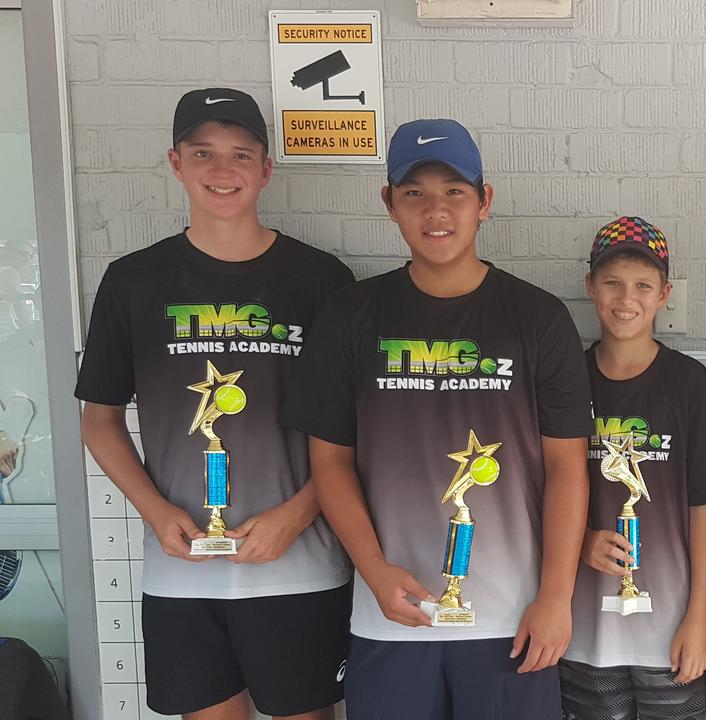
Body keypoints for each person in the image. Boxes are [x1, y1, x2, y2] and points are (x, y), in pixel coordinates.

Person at [280, 118, 593, 720]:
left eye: (454, 191)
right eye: (414, 192)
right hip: (391, 615)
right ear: (389, 204)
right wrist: (372, 569)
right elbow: (330, 461)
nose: (436, 210)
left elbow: (566, 468)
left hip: (513, 619)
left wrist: (556, 596)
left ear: (485, 200)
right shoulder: (351, 316)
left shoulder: (538, 317)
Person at [76, 88, 354, 720]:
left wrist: (298, 513)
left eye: (240, 154)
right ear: (175, 163)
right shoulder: (132, 281)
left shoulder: (321, 280)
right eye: (203, 152)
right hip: (181, 576)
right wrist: (154, 512)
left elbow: (356, 429)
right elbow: (99, 419)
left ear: (265, 169)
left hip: (301, 567)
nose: (221, 170)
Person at [560, 217, 706, 720]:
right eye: (611, 282)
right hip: (584, 633)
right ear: (590, 286)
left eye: (642, 285)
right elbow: (541, 488)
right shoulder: (565, 378)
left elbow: (702, 507)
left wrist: (699, 617)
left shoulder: (688, 382)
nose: (625, 297)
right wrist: (580, 541)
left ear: (664, 294)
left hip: (669, 631)